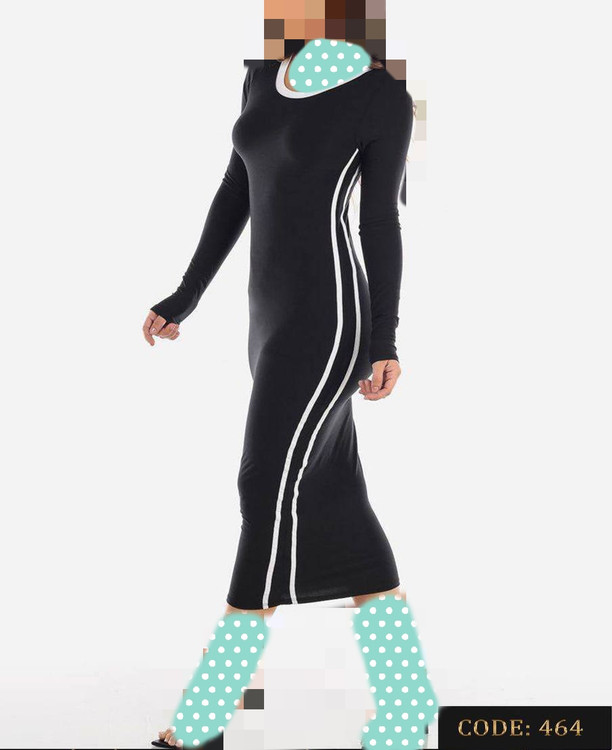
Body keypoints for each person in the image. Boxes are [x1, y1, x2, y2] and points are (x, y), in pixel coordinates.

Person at [144, 36, 438, 750]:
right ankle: (407, 703)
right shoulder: (260, 75)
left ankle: (206, 715)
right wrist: (185, 295)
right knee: (335, 498)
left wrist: (385, 340)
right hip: (267, 320)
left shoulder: (380, 95)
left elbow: (380, 221)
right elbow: (236, 190)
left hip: (330, 319)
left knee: (264, 486)